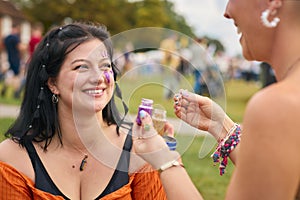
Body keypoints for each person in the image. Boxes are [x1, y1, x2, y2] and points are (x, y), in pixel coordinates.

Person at [137, 0, 300, 199]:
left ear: (273, 2)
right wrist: (220, 125)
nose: (226, 12)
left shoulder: (280, 105)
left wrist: (164, 159)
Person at [0, 22, 171, 199]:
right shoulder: (15, 158)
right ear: (52, 83)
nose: (98, 78)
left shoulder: (139, 149)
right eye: (81, 67)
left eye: (105, 65)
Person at [1, 23, 24, 98]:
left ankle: (4, 88)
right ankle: (16, 93)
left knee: (9, 75)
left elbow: (2, 46)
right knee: (16, 76)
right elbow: (20, 48)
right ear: (16, 29)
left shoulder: (7, 37)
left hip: (8, 58)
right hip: (15, 59)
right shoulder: (16, 38)